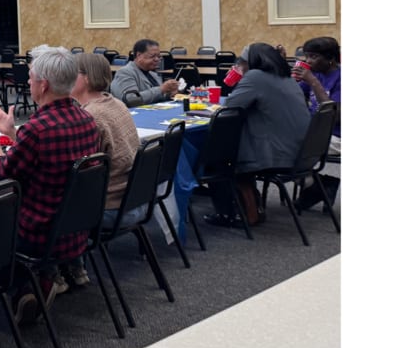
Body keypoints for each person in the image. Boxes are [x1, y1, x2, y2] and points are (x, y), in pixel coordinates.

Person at [0, 46, 99, 322]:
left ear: (43, 84)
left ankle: (24, 284)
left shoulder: (38, 129)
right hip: (76, 231)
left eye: (30, 78)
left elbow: (3, 173)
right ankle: (35, 282)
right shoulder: (87, 120)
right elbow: (47, 156)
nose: (27, 82)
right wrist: (12, 132)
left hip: (39, 236)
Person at [204, 43, 309, 227]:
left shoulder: (255, 77)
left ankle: (239, 213)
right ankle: (250, 205)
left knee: (216, 157)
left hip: (276, 153)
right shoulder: (286, 77)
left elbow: (231, 106)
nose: (240, 65)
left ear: (251, 62)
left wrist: (241, 78)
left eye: (242, 62)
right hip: (300, 150)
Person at [66, 52, 141, 287]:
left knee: (47, 200)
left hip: (110, 206)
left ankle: (56, 272)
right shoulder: (114, 103)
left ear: (85, 79)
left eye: (72, 74)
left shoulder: (90, 116)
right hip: (133, 198)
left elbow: (75, 174)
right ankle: (71, 267)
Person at [292, 36, 341, 211]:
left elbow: (335, 116)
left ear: (331, 58)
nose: (308, 61)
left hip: (336, 135)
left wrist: (312, 82)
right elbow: (295, 98)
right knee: (279, 143)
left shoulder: (340, 78)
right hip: (314, 131)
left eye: (314, 56)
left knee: (293, 150)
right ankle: (321, 185)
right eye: (307, 56)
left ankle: (317, 187)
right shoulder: (316, 73)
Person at [110, 39, 178, 106]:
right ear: (139, 56)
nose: (157, 59)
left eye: (158, 56)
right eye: (152, 56)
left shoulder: (153, 74)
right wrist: (161, 89)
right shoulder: (125, 73)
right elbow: (131, 100)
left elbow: (157, 97)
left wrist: (169, 94)